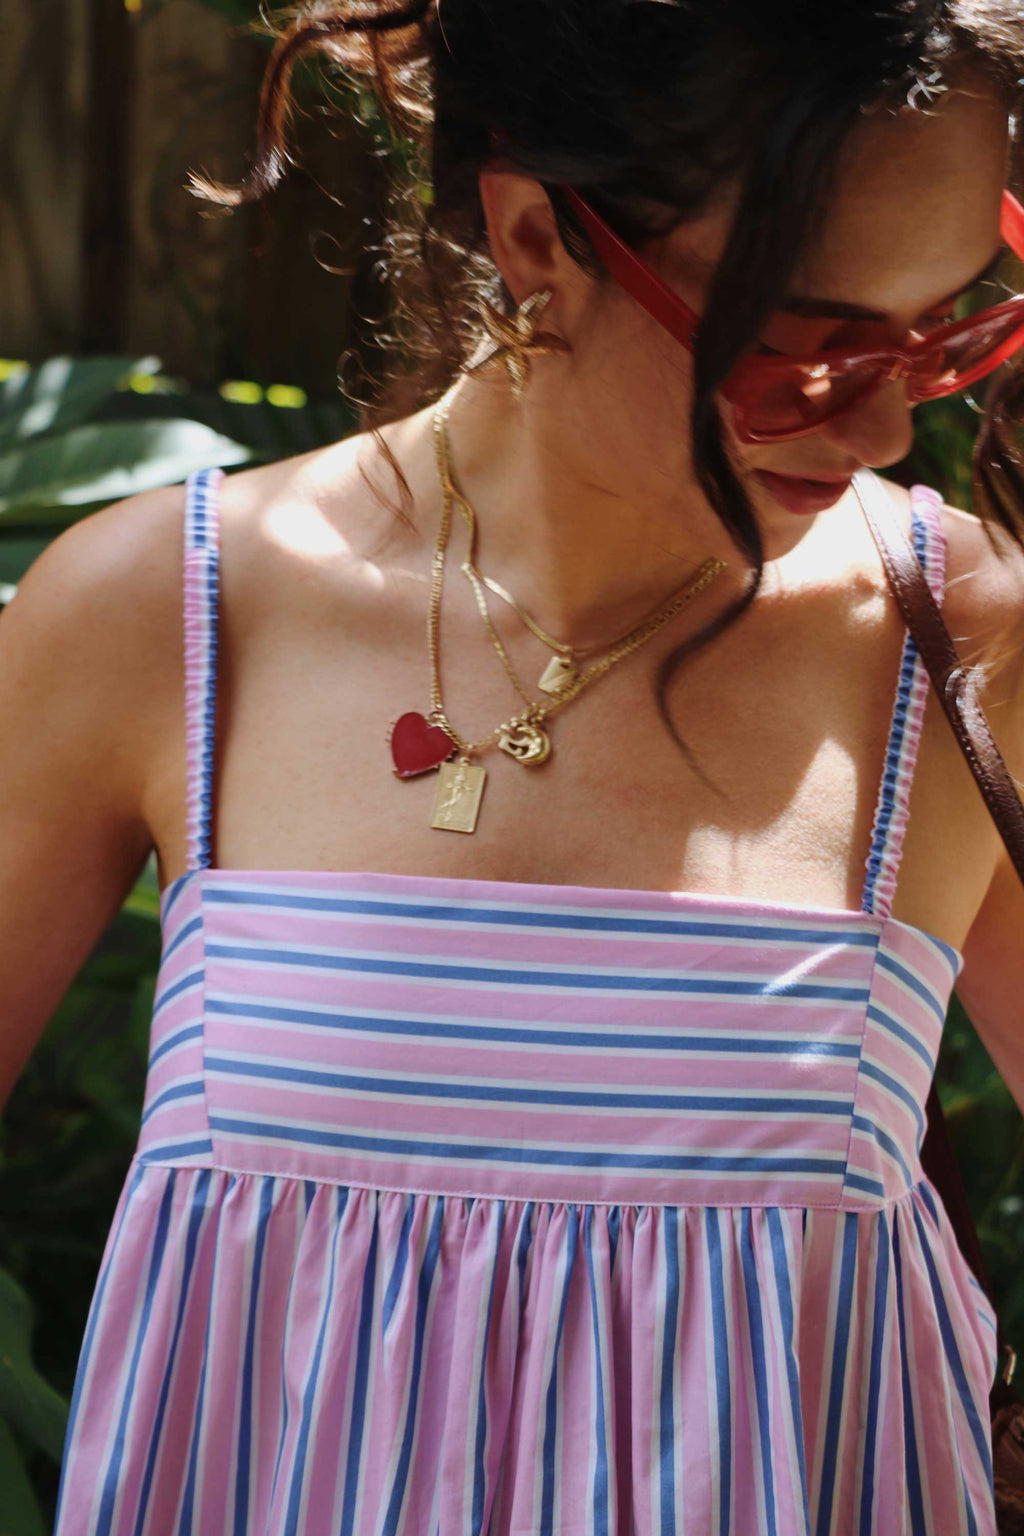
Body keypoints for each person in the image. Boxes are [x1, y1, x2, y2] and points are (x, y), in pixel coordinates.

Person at [3, 0, 1024, 1530]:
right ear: (538, 236)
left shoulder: (968, 650)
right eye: (807, 347)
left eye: (954, 334)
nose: (884, 428)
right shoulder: (170, 611)